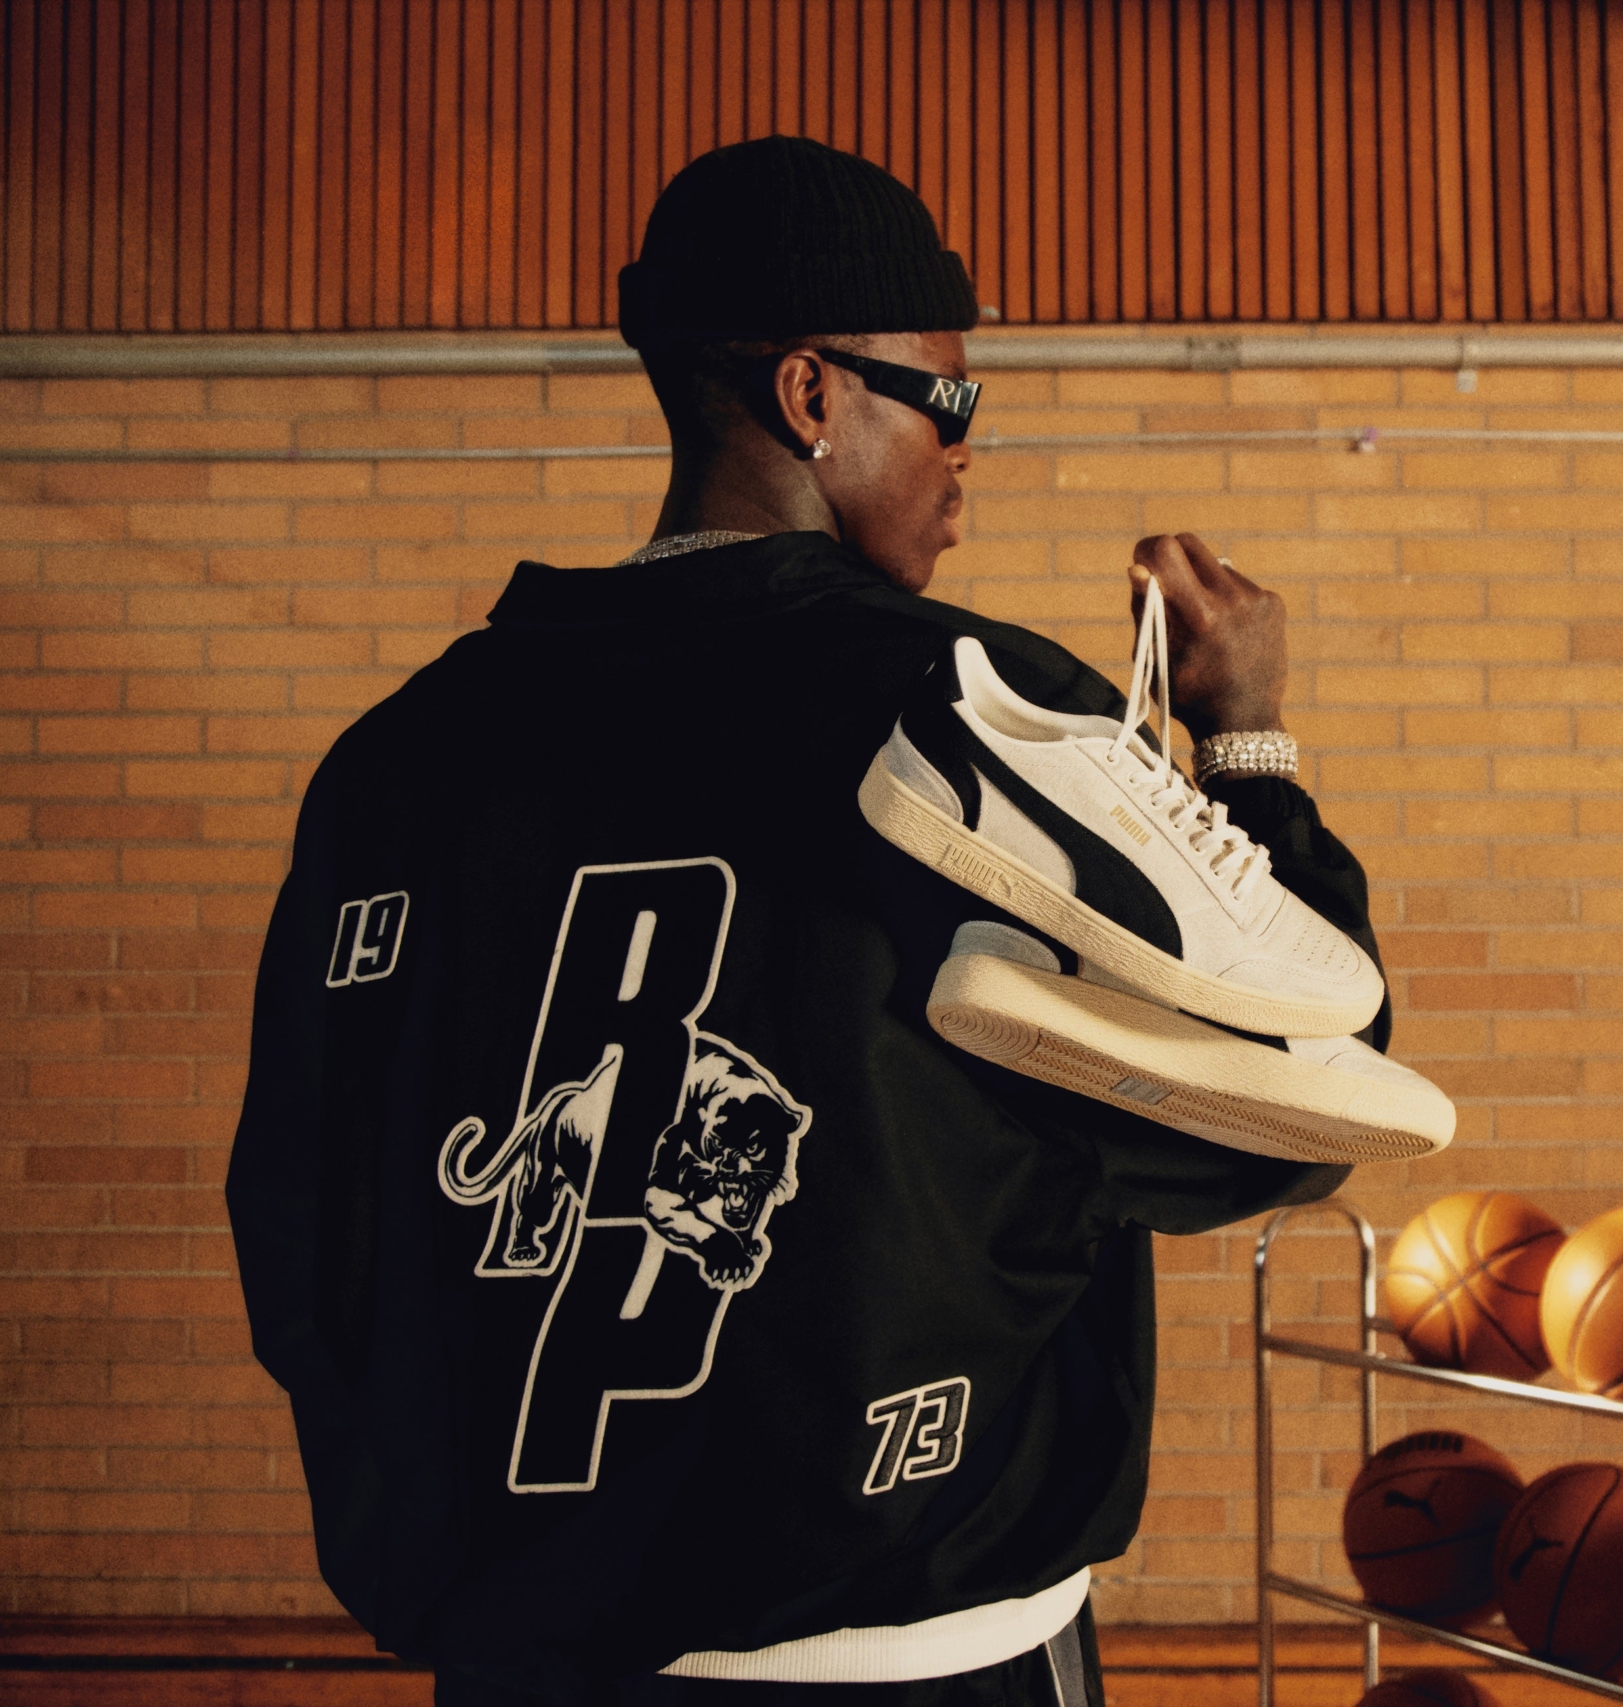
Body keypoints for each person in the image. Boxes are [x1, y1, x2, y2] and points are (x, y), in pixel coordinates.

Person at [226, 136, 1388, 1707]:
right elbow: (1303, 1108)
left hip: (526, 1655)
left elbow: (301, 1223)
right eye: (948, 400)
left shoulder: (399, 757)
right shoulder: (979, 715)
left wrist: (456, 1542)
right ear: (810, 394)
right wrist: (1244, 744)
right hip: (916, 1653)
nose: (967, 455)